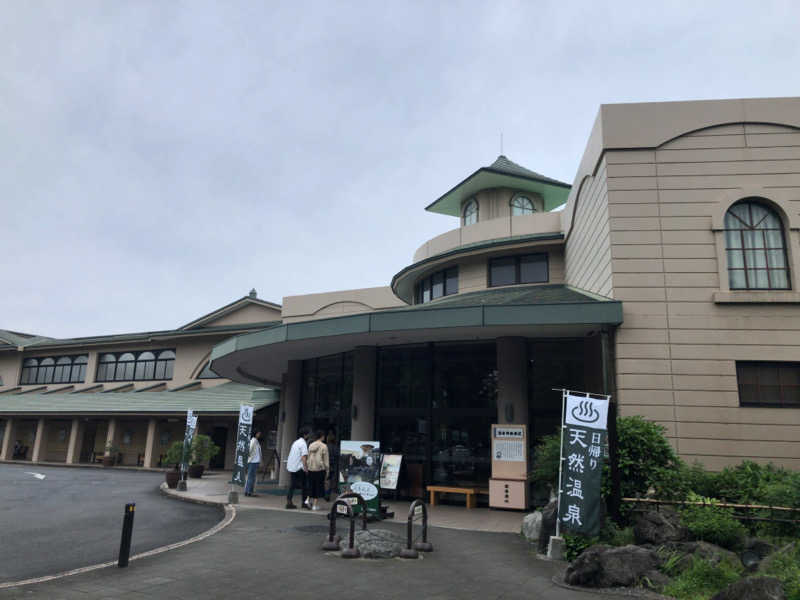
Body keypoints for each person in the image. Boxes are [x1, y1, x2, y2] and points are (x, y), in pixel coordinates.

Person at [286, 425, 311, 509]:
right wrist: (306, 468)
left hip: (292, 467)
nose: (308, 436)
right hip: (300, 468)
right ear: (305, 435)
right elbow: (304, 457)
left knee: (292, 485)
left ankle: (289, 501)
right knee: (305, 486)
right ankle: (305, 503)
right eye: (308, 434)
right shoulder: (303, 444)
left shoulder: (295, 442)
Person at [306, 430, 329, 510]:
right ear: (322, 436)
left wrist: (307, 467)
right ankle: (315, 506)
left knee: (311, 485)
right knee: (318, 487)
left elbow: (308, 457)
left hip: (311, 468)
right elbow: (326, 460)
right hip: (320, 469)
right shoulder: (324, 446)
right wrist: (327, 470)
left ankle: (307, 499)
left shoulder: (311, 445)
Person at [245, 430, 263, 497]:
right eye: (258, 433)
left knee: (251, 477)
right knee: (251, 477)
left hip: (255, 461)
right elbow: (249, 449)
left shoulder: (256, 441)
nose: (259, 434)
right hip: (253, 462)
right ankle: (249, 492)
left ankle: (248, 491)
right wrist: (250, 456)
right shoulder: (253, 441)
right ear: (255, 433)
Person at [325, 428, 338, 501]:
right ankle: (329, 493)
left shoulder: (325, 446)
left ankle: (326, 494)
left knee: (326, 480)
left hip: (326, 465)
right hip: (333, 465)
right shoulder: (335, 447)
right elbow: (337, 455)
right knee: (332, 480)